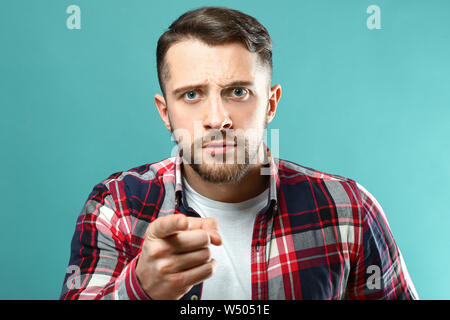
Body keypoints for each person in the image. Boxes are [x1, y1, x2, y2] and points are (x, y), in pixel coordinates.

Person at [60, 6, 418, 300]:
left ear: (271, 103)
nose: (217, 119)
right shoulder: (117, 206)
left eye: (238, 92)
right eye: (191, 95)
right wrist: (139, 289)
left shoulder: (349, 210)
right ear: (165, 112)